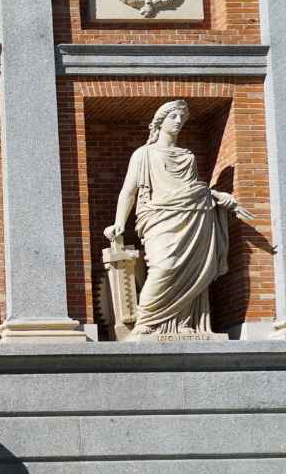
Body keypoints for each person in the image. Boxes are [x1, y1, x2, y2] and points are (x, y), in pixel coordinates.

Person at [105, 99, 252, 337]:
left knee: (193, 270)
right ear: (160, 122)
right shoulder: (143, 154)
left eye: (182, 119)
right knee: (165, 266)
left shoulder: (188, 157)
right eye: (173, 117)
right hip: (158, 217)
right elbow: (128, 191)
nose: (178, 122)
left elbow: (193, 189)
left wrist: (217, 195)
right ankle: (147, 321)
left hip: (194, 218)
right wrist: (119, 222)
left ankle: (186, 324)